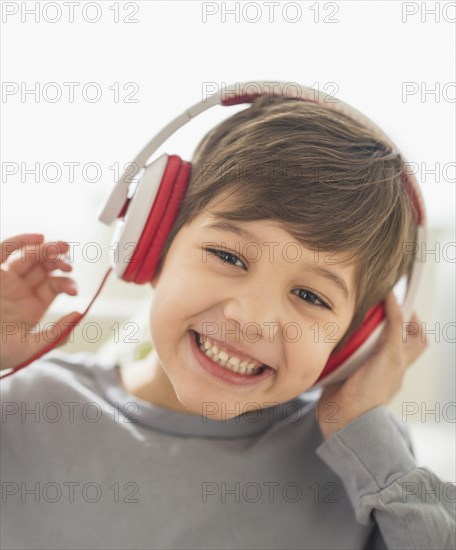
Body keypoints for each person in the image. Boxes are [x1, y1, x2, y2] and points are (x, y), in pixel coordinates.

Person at [1, 95, 454, 550]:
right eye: (228, 256)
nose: (252, 319)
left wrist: (363, 432)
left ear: (355, 340)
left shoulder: (365, 457)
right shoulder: (28, 405)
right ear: (151, 246)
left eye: (310, 296)